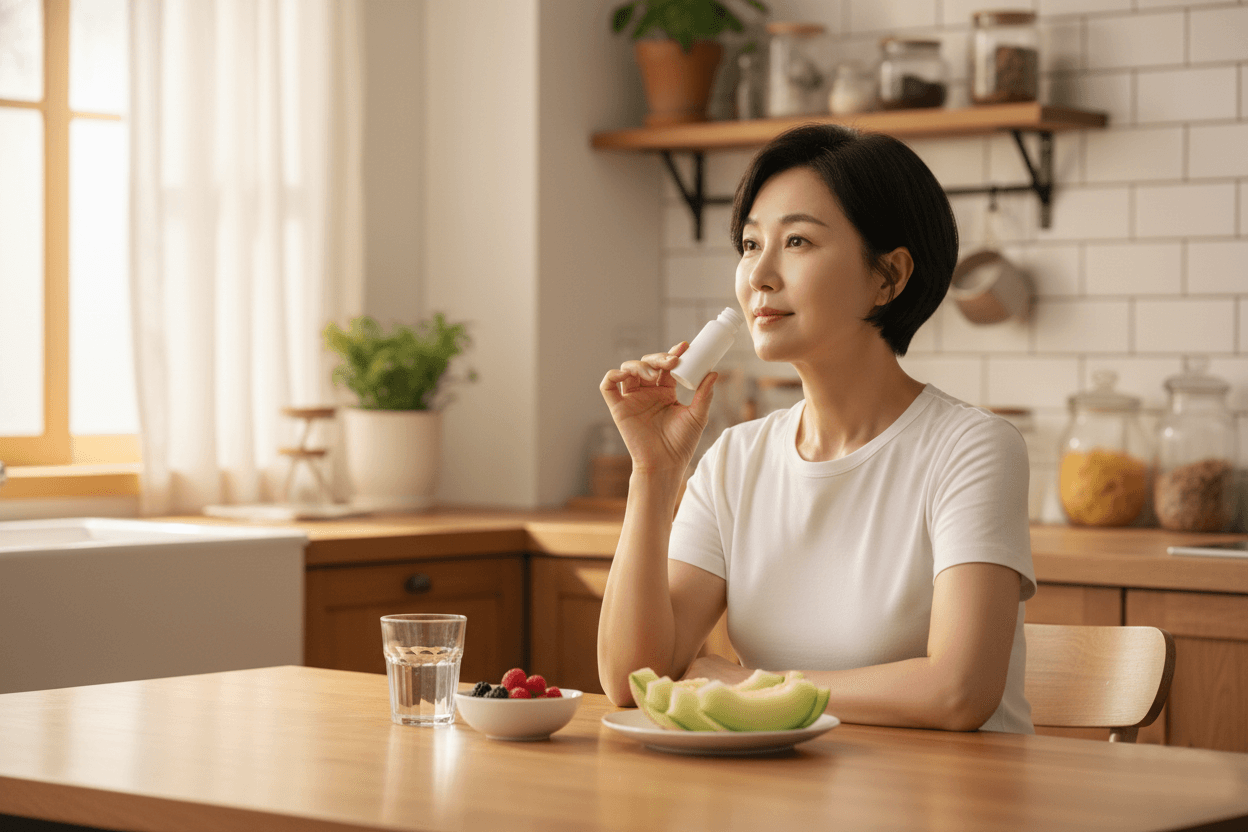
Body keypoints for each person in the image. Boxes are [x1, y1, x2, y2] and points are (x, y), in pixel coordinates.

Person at [596, 124, 1035, 733]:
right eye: (750, 245)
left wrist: (745, 684)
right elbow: (631, 679)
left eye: (797, 241)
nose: (758, 277)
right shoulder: (735, 459)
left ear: (889, 277)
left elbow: (958, 692)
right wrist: (655, 472)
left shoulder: (971, 448)